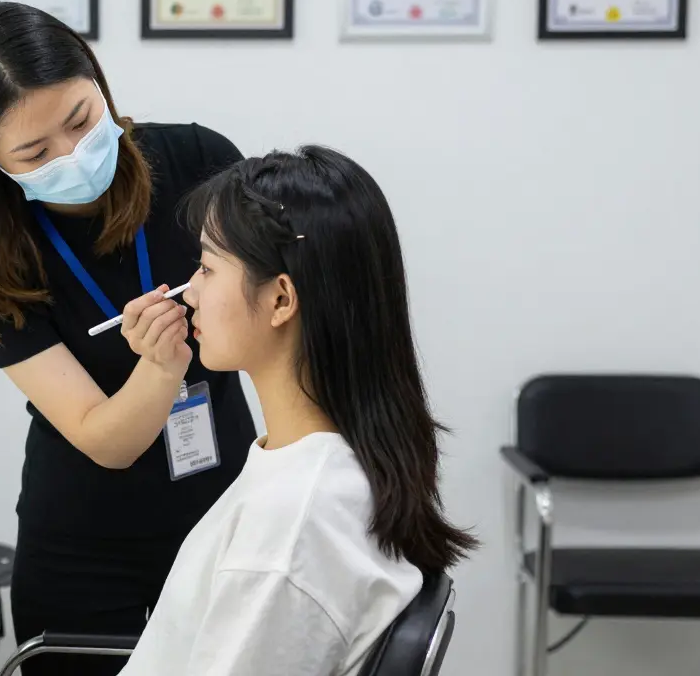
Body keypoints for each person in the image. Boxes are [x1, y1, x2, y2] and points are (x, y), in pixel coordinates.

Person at [0, 2, 258, 675]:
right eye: (34, 151)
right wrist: (159, 368)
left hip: (223, 509)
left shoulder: (198, 161)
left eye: (80, 120)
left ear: (99, 84)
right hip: (81, 540)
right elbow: (106, 438)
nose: (72, 155)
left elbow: (285, 318)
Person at [118, 146, 478, 675]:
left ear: (281, 300)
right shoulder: (332, 466)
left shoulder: (287, 534)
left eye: (207, 268)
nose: (187, 293)